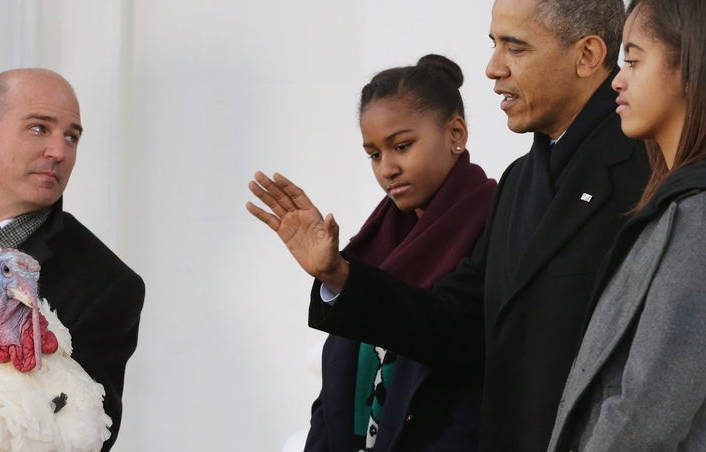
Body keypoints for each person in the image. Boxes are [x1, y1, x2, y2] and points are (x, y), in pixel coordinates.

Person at [246, 0, 651, 451]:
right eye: (494, 45)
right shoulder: (520, 182)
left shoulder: (650, 171)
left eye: (515, 48)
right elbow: (457, 326)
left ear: (589, 55)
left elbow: (653, 364)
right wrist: (339, 276)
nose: (492, 68)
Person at [0, 68, 145, 451]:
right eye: (39, 128)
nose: (59, 151)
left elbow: (86, 435)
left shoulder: (106, 284)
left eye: (72, 137)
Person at [295, 55, 497, 452]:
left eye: (402, 146)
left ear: (456, 133)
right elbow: (333, 400)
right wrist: (334, 276)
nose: (387, 168)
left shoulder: (496, 223)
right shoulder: (374, 243)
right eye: (374, 154)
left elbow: (479, 395)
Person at [547, 0, 706, 450]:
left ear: (691, 69)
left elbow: (647, 409)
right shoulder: (677, 204)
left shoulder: (697, 217)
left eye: (633, 60)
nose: (618, 79)